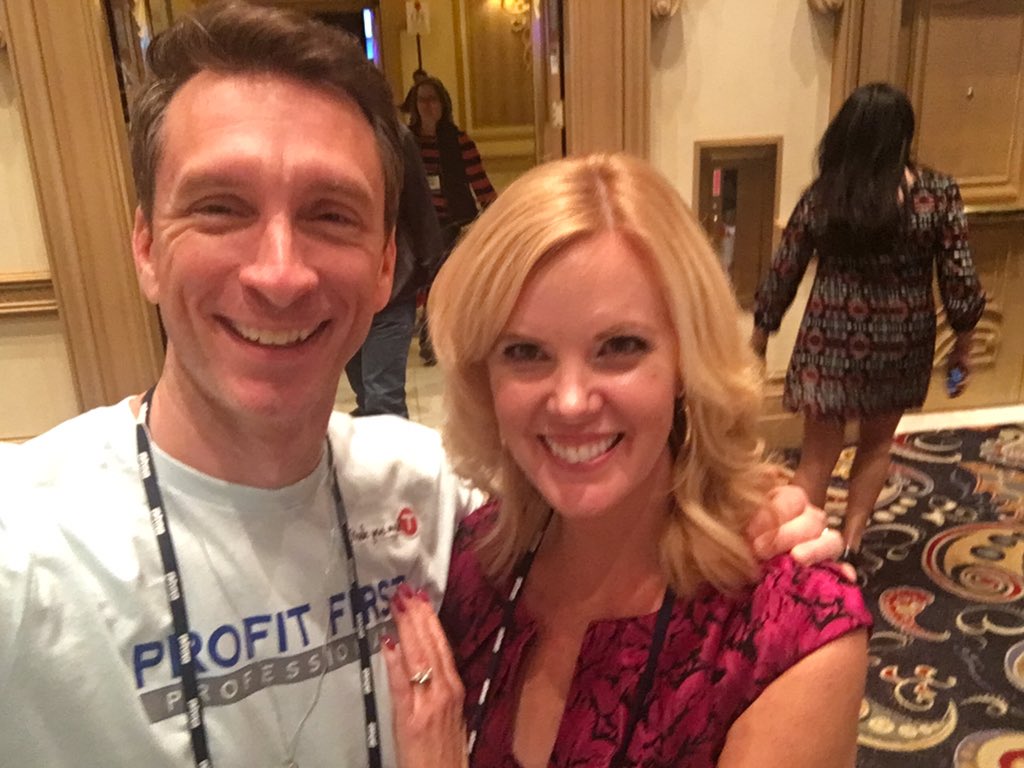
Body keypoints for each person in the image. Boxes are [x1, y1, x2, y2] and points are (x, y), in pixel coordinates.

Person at [0, 4, 842, 766]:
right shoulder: (26, 549)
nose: (280, 273)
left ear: (384, 266)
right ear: (146, 245)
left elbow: (624, 499)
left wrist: (757, 506)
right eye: (221, 207)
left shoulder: (429, 497)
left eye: (330, 214)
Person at [382, 154, 871, 768]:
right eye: (525, 352)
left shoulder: (788, 629)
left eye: (619, 346)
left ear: (686, 364)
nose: (569, 401)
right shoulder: (473, 568)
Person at [750, 83, 986, 562]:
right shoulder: (937, 194)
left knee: (816, 456)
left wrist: (759, 336)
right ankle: (853, 544)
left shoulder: (825, 195)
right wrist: (963, 344)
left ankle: (800, 551)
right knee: (877, 446)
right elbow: (960, 277)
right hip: (902, 340)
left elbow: (784, 268)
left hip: (829, 336)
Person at [345, 124, 444, 417]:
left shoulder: (395, 137)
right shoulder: (325, 130)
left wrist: (433, 273)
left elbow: (420, 207)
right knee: (365, 394)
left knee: (382, 396)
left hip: (393, 287)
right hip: (344, 290)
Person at [408, 76, 497, 365]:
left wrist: (497, 216)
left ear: (443, 104)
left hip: (452, 222)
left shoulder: (459, 141)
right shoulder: (407, 142)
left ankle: (430, 338)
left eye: (433, 99)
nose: (427, 106)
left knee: (439, 279)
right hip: (415, 223)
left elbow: (479, 182)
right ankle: (430, 333)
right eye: (422, 100)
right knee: (424, 280)